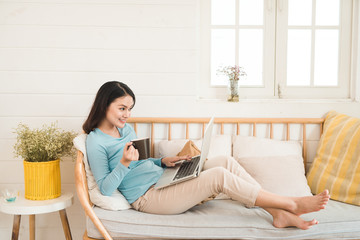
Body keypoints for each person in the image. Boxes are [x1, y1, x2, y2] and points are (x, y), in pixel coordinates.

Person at [84, 81, 330, 230]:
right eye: (122, 108)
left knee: (223, 161)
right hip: (148, 198)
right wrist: (125, 163)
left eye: (129, 109)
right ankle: (290, 203)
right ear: (105, 104)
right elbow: (105, 188)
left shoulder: (125, 129)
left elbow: (141, 161)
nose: (127, 114)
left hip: (161, 178)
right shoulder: (95, 141)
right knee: (218, 176)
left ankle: (277, 213)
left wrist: (162, 161)